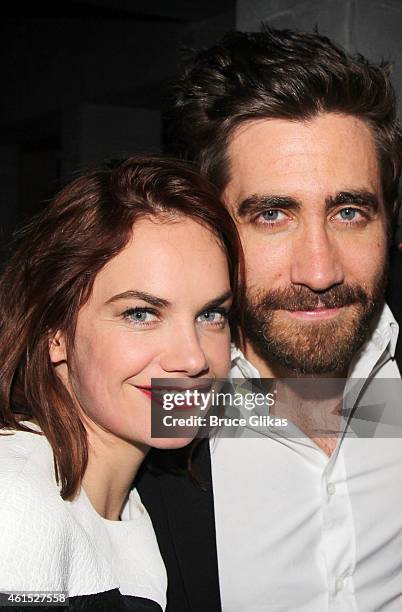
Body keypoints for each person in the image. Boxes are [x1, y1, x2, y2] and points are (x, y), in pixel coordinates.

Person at [136, 28, 402, 611]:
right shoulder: (159, 416)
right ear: (207, 228)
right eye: (273, 215)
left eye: (350, 211)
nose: (319, 269)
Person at [0, 156, 243, 611]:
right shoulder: (15, 504)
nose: (193, 359)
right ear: (55, 332)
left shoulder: (134, 503)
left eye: (211, 314)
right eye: (141, 314)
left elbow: (342, 411)